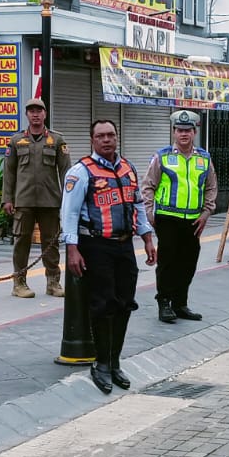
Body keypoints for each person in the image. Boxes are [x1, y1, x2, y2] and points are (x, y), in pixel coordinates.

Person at [61, 119, 157, 395]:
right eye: (101, 136)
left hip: (125, 246)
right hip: (96, 245)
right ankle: (101, 363)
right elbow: (69, 213)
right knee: (103, 305)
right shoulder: (81, 172)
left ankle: (115, 362)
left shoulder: (128, 168)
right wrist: (72, 249)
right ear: (92, 140)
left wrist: (147, 237)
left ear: (116, 138)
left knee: (125, 303)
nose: (106, 140)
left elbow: (137, 204)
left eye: (111, 135)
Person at [141, 109, 217, 323]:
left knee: (188, 263)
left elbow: (211, 187)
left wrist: (206, 212)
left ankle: (180, 303)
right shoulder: (162, 156)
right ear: (174, 132)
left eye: (188, 130)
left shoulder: (204, 158)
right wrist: (150, 213)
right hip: (167, 218)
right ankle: (164, 302)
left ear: (194, 132)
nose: (184, 134)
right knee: (168, 263)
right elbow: (148, 186)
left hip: (193, 220)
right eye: (180, 130)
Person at [2, 98, 69, 298]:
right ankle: (19, 284)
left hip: (50, 201)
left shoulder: (57, 140)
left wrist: (68, 200)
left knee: (51, 243)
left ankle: (53, 282)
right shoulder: (16, 140)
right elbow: (9, 172)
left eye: (39, 111)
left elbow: (66, 172)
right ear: (27, 115)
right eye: (31, 111)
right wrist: (7, 199)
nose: (35, 114)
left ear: (45, 114)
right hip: (24, 201)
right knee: (21, 242)